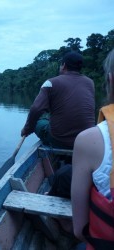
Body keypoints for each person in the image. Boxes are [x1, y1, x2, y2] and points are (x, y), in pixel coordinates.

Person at [71, 48, 114, 249]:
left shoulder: (88, 140)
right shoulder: (88, 82)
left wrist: (28, 128)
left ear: (110, 79)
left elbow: (80, 230)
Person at [21, 51, 95, 149]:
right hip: (87, 140)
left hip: (59, 140)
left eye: (60, 65)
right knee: (48, 119)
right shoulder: (90, 83)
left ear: (63, 65)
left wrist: (27, 129)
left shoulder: (50, 83)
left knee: (38, 122)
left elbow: (36, 109)